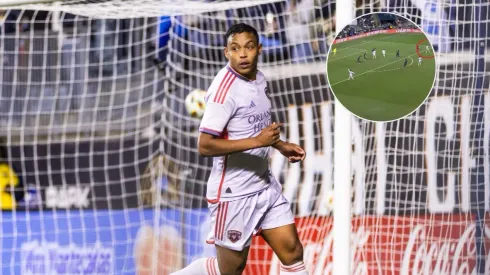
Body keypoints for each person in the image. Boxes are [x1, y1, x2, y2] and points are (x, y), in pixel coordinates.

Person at [170, 23, 307, 275]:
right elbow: (205, 145)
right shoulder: (224, 92)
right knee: (230, 270)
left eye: (249, 47)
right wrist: (259, 142)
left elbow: (256, 125)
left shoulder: (259, 79)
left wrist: (280, 145)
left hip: (264, 186)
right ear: (226, 53)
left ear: (259, 50)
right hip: (233, 194)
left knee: (293, 251)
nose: (242, 54)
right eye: (235, 49)